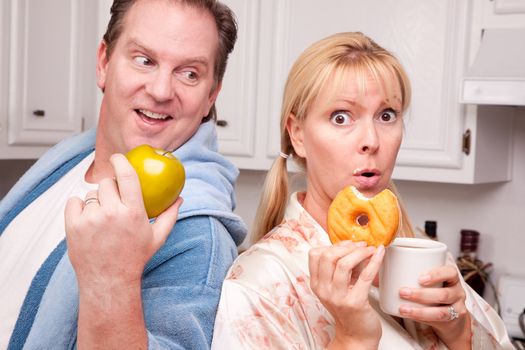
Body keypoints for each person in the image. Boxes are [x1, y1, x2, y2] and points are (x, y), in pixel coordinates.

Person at [211, 32, 513, 349]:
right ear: (297, 134)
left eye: (386, 115)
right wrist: (352, 339)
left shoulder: (424, 253)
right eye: (341, 117)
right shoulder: (257, 286)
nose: (371, 140)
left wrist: (458, 328)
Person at [0, 0, 247, 348]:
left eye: (189, 73)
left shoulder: (197, 237)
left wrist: (112, 278)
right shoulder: (65, 163)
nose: (161, 91)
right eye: (144, 60)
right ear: (104, 62)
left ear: (210, 97)